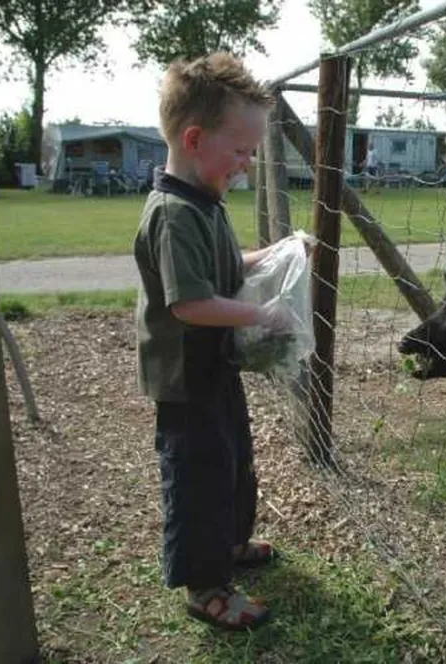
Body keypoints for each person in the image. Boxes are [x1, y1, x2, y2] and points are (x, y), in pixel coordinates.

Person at [133, 52, 310, 631]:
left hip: (215, 369)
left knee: (234, 462)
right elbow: (190, 303)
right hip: (185, 379)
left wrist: (276, 253)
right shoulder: (173, 214)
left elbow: (223, 266)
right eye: (240, 151)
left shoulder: (204, 203)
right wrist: (263, 313)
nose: (247, 162)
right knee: (198, 477)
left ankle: (229, 546)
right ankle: (204, 586)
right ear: (193, 138)